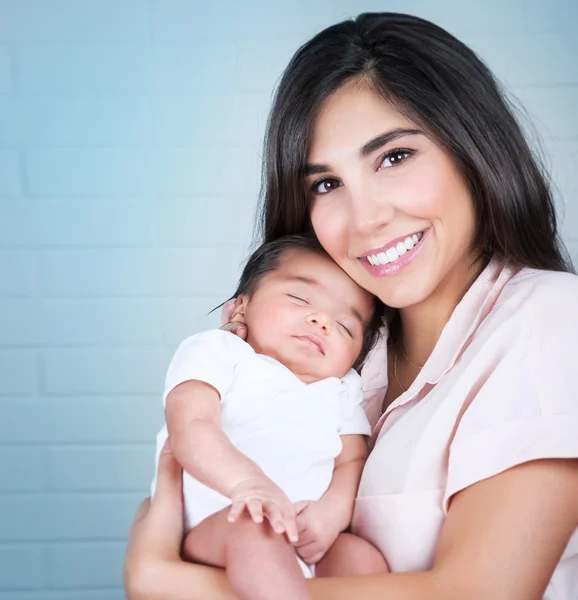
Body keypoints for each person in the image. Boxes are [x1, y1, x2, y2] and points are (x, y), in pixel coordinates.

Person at [125, 12, 578, 600]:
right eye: (326, 184)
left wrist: (161, 580)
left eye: (394, 157)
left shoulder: (550, 319)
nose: (365, 220)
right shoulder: (339, 355)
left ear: (472, 148)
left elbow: (484, 591)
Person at [150, 235, 388, 600]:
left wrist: (331, 515)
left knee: (361, 559)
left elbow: (352, 461)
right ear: (240, 307)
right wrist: (248, 484)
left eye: (345, 326)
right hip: (222, 526)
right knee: (255, 526)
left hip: (301, 535)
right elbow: (191, 426)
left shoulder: (341, 389)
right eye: (300, 298)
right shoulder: (222, 353)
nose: (322, 320)